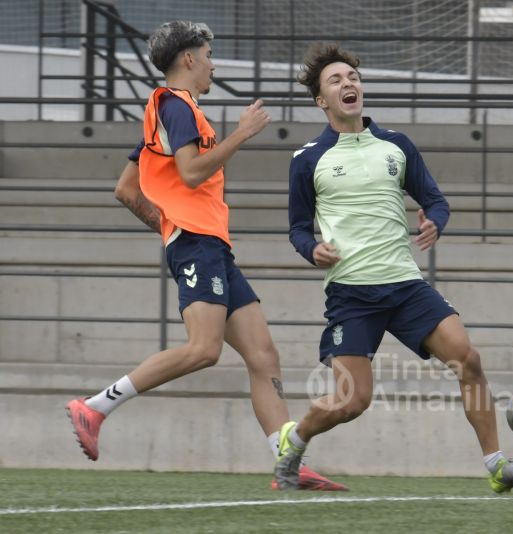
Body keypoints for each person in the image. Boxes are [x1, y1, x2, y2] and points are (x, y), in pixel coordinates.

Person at [65, 21, 346, 492]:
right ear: (189, 60)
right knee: (204, 349)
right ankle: (94, 407)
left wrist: (168, 225)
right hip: (199, 244)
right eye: (209, 54)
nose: (214, 63)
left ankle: (287, 466)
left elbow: (125, 189)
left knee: (263, 354)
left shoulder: (166, 112)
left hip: (207, 244)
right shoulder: (176, 107)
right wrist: (241, 135)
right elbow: (192, 173)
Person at [277, 42, 513, 493]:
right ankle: (296, 438)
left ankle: (498, 466)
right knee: (352, 400)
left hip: (405, 284)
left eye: (353, 77)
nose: (349, 84)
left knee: (468, 359)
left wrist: (434, 222)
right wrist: (312, 249)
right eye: (336, 80)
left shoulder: (396, 145)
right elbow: (298, 228)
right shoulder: (307, 160)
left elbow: (436, 200)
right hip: (352, 293)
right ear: (321, 100)